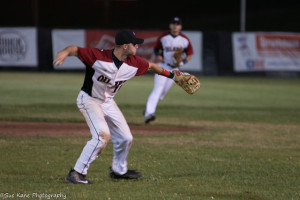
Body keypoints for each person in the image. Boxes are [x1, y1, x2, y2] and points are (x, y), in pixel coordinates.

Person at [53, 30, 176, 184]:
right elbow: (75, 50)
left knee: (126, 138)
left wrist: (172, 75)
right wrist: (64, 53)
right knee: (102, 136)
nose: (137, 46)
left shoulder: (133, 62)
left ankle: (118, 170)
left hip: (108, 102)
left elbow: (151, 66)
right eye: (134, 43)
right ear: (125, 46)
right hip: (89, 99)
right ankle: (76, 173)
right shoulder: (98, 56)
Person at [144, 17, 194, 124]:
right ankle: (149, 113)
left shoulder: (184, 39)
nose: (175, 26)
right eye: (173, 23)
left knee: (162, 92)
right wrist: (159, 56)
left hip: (175, 69)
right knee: (158, 89)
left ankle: (148, 109)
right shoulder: (164, 37)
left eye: (177, 24)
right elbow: (156, 49)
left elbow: (189, 53)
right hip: (163, 66)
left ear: (180, 26)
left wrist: (182, 62)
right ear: (170, 25)